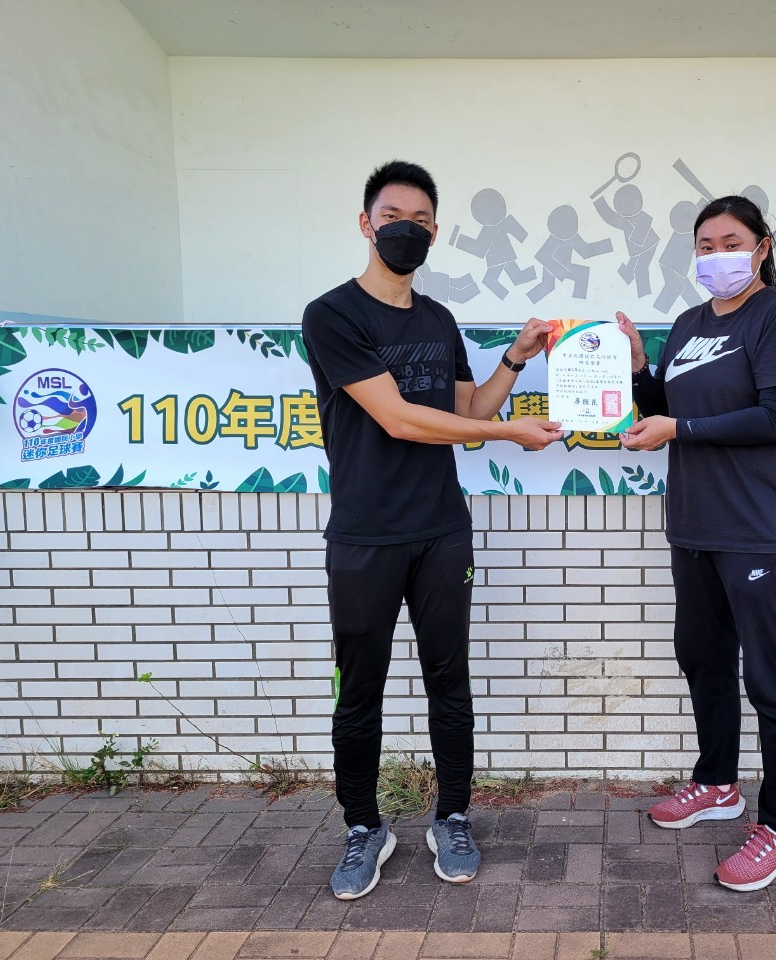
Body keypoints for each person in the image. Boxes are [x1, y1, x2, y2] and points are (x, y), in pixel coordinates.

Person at [302, 160, 562, 900]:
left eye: (419, 220)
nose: (405, 230)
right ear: (366, 224)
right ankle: (364, 826)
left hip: (442, 529)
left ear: (436, 232)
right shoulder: (332, 315)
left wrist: (514, 359)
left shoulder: (439, 321)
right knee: (361, 689)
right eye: (392, 217)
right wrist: (512, 435)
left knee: (450, 681)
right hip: (364, 535)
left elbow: (467, 414)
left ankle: (452, 816)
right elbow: (398, 419)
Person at [617, 194, 776, 892]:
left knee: (772, 680)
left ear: (762, 247)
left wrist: (677, 430)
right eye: (704, 246)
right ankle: (717, 784)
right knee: (703, 660)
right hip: (694, 525)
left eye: (730, 242)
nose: (716, 256)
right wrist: (641, 370)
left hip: (757, 529)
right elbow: (664, 412)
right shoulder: (688, 324)